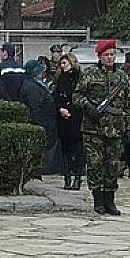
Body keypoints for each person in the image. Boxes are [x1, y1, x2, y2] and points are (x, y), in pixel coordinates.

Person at [73, 39, 130, 215]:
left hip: (115, 127)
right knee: (95, 163)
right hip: (93, 128)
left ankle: (110, 200)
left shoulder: (121, 77)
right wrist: (88, 106)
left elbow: (128, 104)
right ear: (100, 56)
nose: (110, 58)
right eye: (106, 55)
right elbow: (76, 95)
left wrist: (129, 126)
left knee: (113, 165)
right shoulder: (89, 74)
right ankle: (98, 199)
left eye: (112, 55)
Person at [19, 59, 62, 175]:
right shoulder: (31, 87)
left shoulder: (35, 84)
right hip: (43, 122)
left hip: (47, 121)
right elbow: (35, 107)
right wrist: (40, 124)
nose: (41, 74)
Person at [54, 53, 83, 190]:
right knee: (65, 150)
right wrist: (60, 108)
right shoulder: (60, 78)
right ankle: (67, 177)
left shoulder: (80, 78)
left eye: (64, 63)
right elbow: (56, 96)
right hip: (63, 117)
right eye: (61, 64)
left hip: (77, 117)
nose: (62, 66)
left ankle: (77, 177)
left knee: (78, 150)